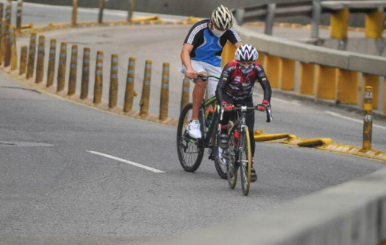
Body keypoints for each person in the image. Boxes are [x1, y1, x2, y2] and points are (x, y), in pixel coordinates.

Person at [180, 5, 243, 139]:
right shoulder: (199, 28)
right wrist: (190, 69)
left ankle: (214, 136)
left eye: (224, 29)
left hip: (213, 64)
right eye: (219, 28)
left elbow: (241, 49)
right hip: (194, 61)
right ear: (212, 22)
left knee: (219, 95)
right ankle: (194, 122)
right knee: (203, 80)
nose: (222, 31)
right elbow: (185, 51)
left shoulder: (229, 29)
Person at [215, 44, 272, 182]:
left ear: (254, 61)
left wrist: (265, 102)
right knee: (226, 112)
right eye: (243, 63)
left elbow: (266, 86)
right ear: (237, 60)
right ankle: (223, 131)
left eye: (249, 63)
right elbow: (220, 88)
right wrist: (223, 103)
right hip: (229, 96)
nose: (246, 66)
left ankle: (249, 163)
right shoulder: (230, 67)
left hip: (245, 98)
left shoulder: (257, 68)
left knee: (250, 131)